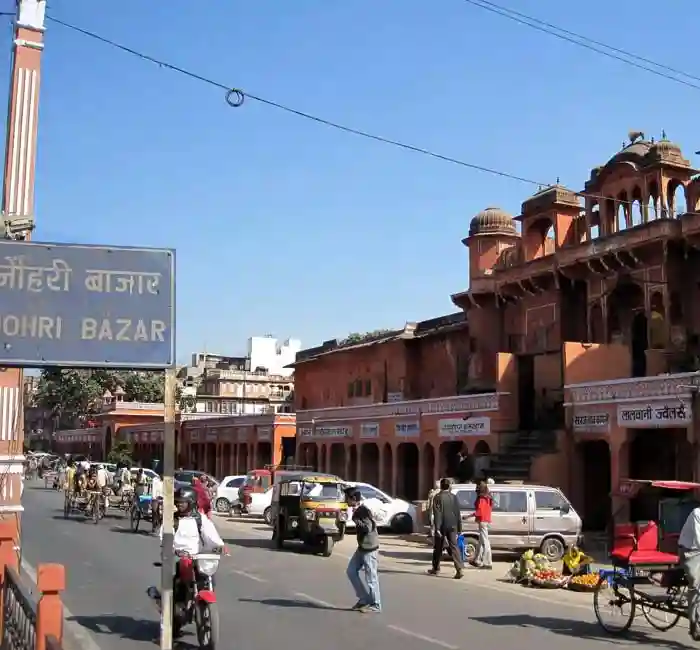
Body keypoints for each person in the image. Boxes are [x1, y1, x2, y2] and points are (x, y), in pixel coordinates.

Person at [158, 485, 225, 623]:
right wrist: (171, 549)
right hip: (180, 558)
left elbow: (212, 536)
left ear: (192, 502)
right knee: (175, 585)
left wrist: (220, 547)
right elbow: (164, 537)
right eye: (178, 502)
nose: (180, 504)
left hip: (199, 558)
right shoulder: (172, 520)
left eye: (183, 502)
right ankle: (172, 609)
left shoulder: (200, 519)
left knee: (209, 576)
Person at [346, 488, 381, 613]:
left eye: (348, 498)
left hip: (369, 548)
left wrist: (357, 521)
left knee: (371, 577)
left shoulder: (362, 511)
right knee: (351, 571)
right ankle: (363, 599)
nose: (346, 501)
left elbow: (368, 527)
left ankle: (376, 604)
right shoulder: (358, 510)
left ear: (354, 499)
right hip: (362, 547)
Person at [428, 478, 464, 579]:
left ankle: (436, 568)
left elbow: (437, 513)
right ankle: (459, 568)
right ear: (449, 486)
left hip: (442, 525)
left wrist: (437, 528)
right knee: (454, 547)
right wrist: (459, 528)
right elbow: (458, 513)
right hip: (453, 525)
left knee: (438, 547)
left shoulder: (438, 497)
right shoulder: (454, 497)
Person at [678, 505, 700, 639]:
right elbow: (699, 539)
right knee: (696, 583)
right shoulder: (696, 514)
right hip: (690, 552)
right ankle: (694, 623)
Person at [466, 480, 493, 569]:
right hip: (487, 520)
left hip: (482, 521)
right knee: (481, 542)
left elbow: (479, 511)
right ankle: (477, 560)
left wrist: (468, 516)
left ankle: (488, 563)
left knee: (485, 542)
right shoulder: (489, 498)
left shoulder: (481, 498)